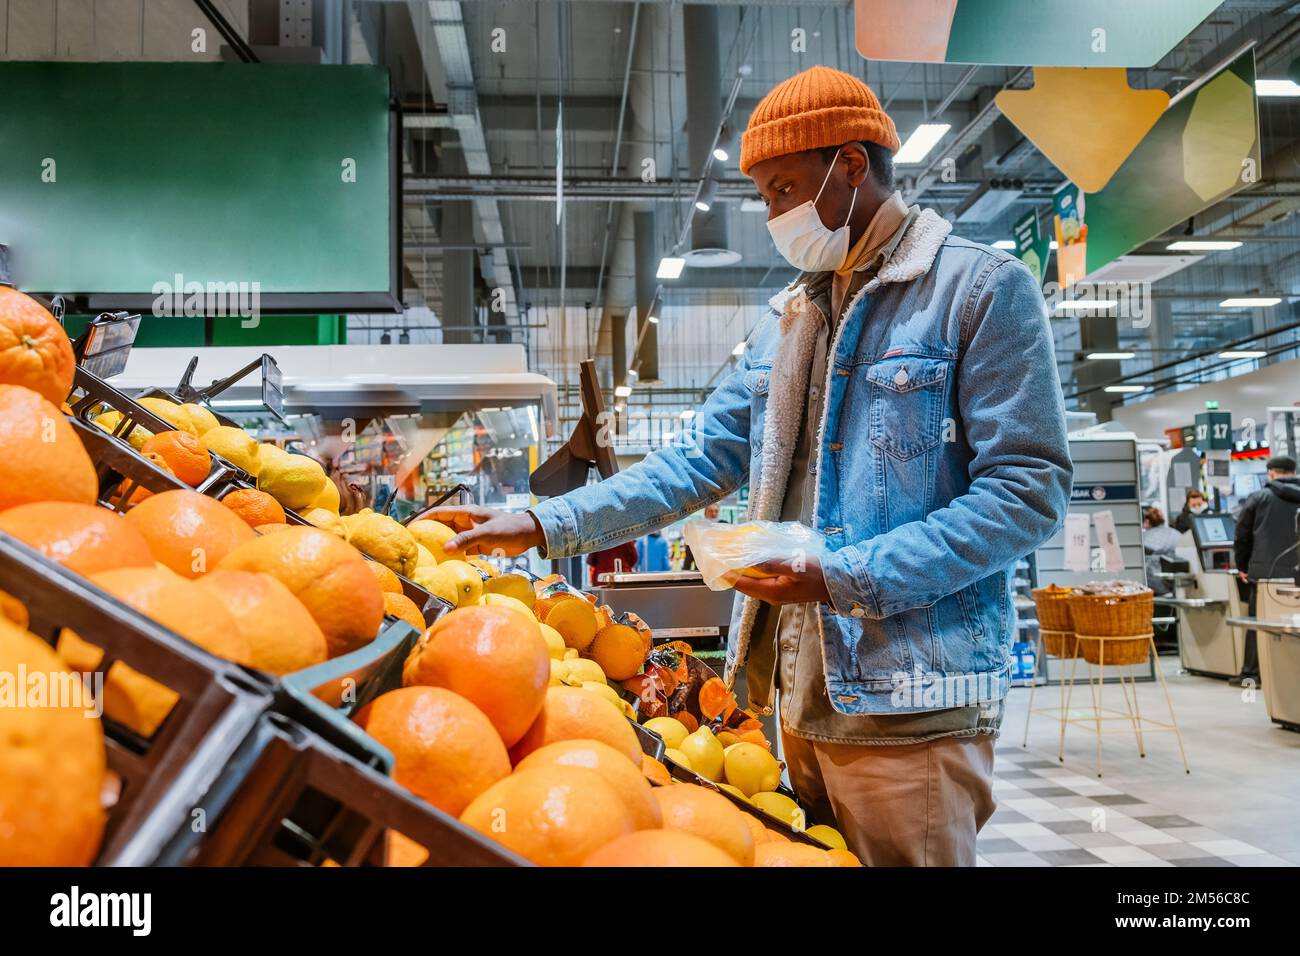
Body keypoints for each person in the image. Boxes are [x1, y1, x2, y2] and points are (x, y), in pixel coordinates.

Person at [424, 66, 1072, 866]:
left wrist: (842, 574)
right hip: (789, 700)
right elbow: (699, 459)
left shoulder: (979, 290)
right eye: (763, 195)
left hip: (907, 710)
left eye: (783, 188)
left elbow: (1027, 494)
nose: (772, 214)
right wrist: (540, 521)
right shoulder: (791, 318)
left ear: (851, 167)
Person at [1232, 455, 1300, 685]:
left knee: (1258, 622)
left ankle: (1252, 673)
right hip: (1297, 574)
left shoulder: (1259, 498)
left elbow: (1242, 535)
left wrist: (1242, 566)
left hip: (1265, 574)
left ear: (1271, 473)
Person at [1142, 505, 1183, 597]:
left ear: (1147, 521)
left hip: (1152, 588)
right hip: (1175, 584)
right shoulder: (1176, 534)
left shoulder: (1143, 538)